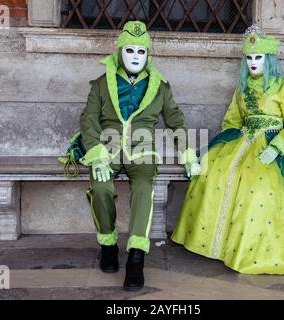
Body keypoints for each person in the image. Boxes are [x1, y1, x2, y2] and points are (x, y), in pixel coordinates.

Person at [171, 25, 284, 275]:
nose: (253, 62)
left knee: (260, 188)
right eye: (248, 57)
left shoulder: (283, 87)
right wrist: (228, 142)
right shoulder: (242, 88)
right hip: (241, 141)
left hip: (273, 147)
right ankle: (217, 245)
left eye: (258, 57)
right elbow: (231, 120)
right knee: (211, 174)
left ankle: (254, 250)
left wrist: (278, 146)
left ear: (268, 59)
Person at [79, 21, 200, 290]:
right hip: (106, 148)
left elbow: (175, 122)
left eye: (141, 51)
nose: (135, 56)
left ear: (148, 54)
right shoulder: (101, 84)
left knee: (145, 188)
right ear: (120, 51)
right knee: (99, 188)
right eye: (130, 50)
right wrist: (97, 154)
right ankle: (108, 244)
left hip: (142, 150)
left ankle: (136, 256)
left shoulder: (160, 86)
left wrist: (188, 154)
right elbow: (88, 120)